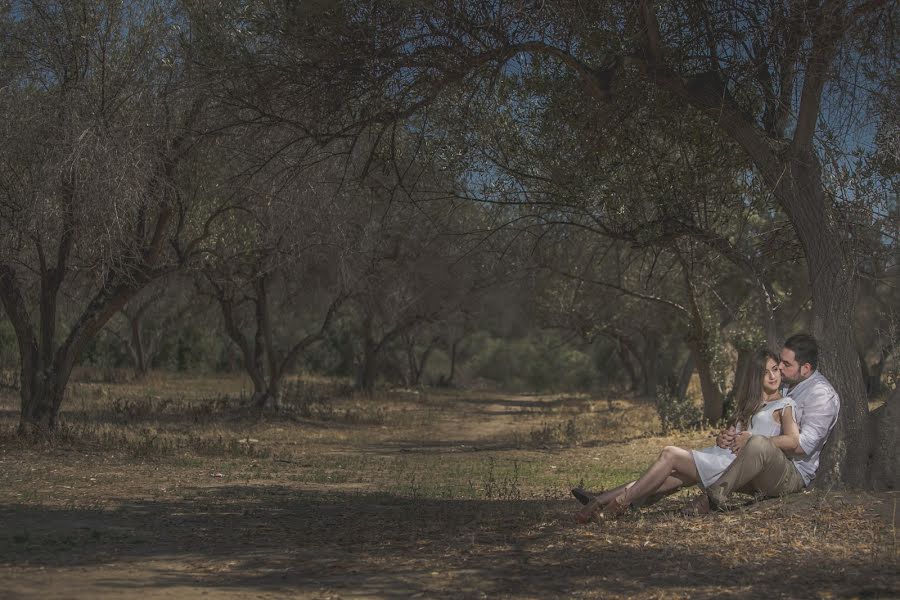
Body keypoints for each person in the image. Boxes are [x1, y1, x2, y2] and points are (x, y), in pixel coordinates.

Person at [574, 348, 797, 523]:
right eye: (765, 371)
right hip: (720, 457)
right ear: (755, 376)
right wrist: (724, 438)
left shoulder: (784, 405)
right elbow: (734, 437)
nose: (772, 376)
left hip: (732, 467)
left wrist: (751, 438)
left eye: (775, 369)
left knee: (669, 454)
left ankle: (617, 504)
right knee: (664, 477)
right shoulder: (750, 404)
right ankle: (598, 502)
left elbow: (792, 440)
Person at [704, 333, 839, 510]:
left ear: (805, 368)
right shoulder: (784, 383)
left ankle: (711, 498)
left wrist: (753, 440)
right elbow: (755, 415)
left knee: (758, 443)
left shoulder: (822, 396)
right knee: (683, 463)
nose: (780, 368)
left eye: (787, 364)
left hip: (791, 473)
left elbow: (802, 446)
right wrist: (730, 436)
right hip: (759, 462)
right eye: (780, 361)